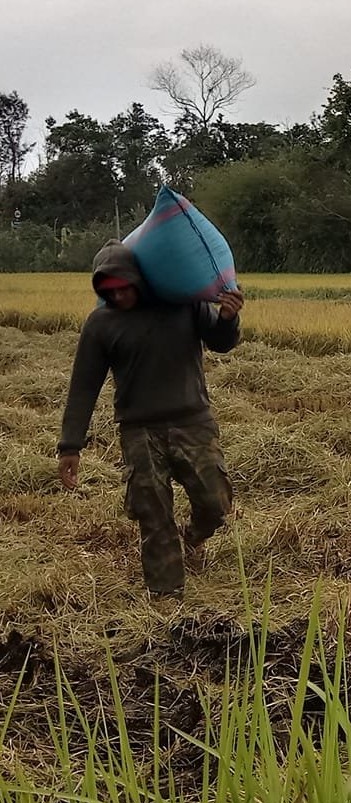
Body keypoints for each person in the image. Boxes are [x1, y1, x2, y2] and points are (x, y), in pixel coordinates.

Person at [57, 241, 245, 603]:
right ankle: (166, 597)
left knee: (216, 503)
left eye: (123, 286)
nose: (117, 295)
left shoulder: (182, 303)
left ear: (137, 280)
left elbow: (222, 342)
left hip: (193, 420)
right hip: (139, 430)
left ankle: (193, 537)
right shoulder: (100, 324)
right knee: (153, 513)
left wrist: (227, 317)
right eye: (107, 290)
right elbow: (83, 386)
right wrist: (70, 445)